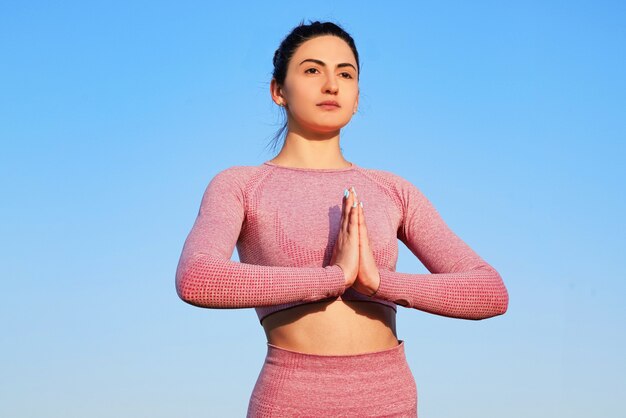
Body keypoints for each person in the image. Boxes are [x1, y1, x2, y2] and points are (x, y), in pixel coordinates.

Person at [175, 20, 509, 417]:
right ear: (278, 90)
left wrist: (378, 282)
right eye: (312, 70)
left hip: (389, 397)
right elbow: (197, 278)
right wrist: (334, 277)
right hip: (291, 398)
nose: (331, 85)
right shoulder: (241, 185)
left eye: (345, 74)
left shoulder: (392, 189)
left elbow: (490, 291)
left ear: (356, 94)